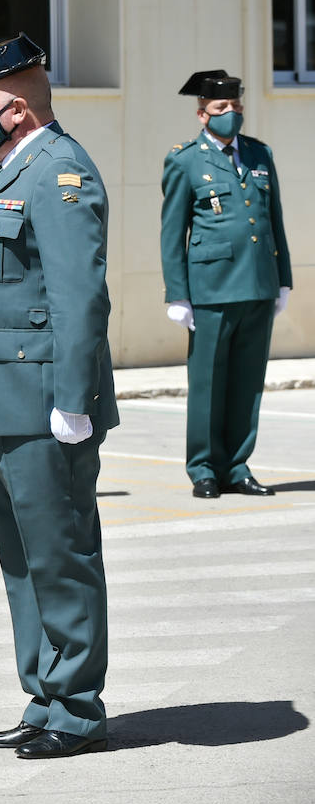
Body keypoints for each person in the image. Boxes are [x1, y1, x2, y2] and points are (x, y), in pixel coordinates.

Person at [0, 33, 118, 759]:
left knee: (61, 554)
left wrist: (73, 401)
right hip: (0, 396)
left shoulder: (59, 171)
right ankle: (44, 696)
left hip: (45, 400)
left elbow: (81, 296)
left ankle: (78, 706)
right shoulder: (11, 170)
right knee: (22, 561)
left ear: (14, 110)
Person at [159, 70, 293, 499]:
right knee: (208, 384)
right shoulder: (185, 159)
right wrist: (177, 292)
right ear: (202, 114)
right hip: (211, 288)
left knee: (247, 382)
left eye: (236, 107)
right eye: (221, 109)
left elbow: (275, 221)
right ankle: (203, 469)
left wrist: (283, 279)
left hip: (256, 284)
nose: (230, 115)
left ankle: (237, 466)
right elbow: (171, 230)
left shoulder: (258, 154)